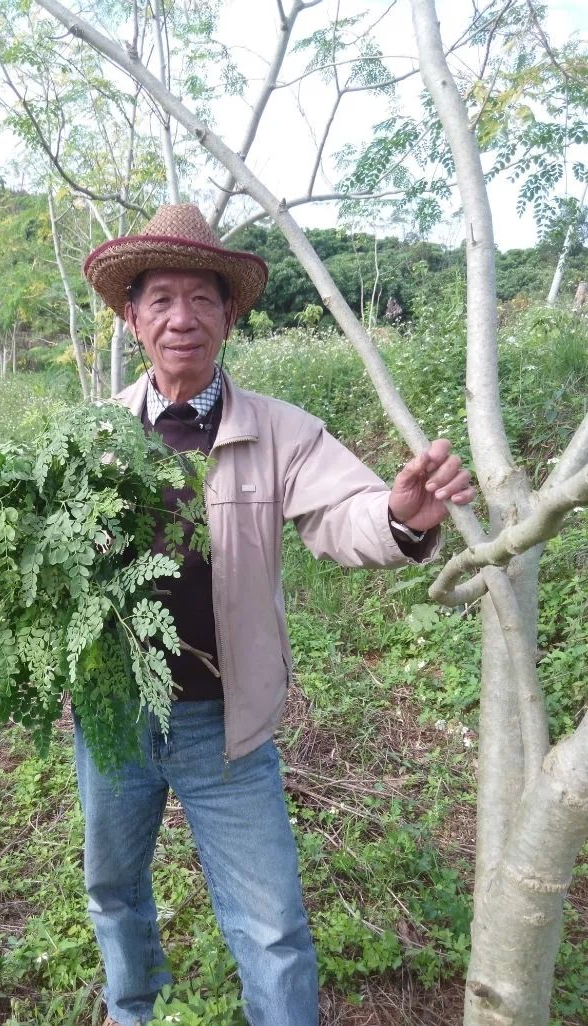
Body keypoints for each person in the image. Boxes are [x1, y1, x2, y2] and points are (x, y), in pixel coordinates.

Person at [78, 203, 475, 1026]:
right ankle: (129, 1011)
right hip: (114, 716)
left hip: (225, 723)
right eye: (160, 299)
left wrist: (402, 516)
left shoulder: (280, 431)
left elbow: (346, 516)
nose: (181, 318)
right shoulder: (93, 437)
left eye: (201, 299)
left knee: (272, 930)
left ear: (229, 316)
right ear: (132, 317)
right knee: (113, 889)